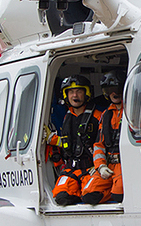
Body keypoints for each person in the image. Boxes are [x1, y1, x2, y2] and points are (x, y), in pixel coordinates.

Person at [49, 75, 102, 206]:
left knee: (91, 196)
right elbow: (69, 142)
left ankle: (84, 191)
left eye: (79, 91)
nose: (75, 95)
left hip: (91, 168)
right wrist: (53, 140)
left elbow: (102, 143)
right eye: (71, 92)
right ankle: (78, 191)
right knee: (61, 197)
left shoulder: (98, 116)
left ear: (86, 93)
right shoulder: (67, 116)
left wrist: (100, 166)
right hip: (71, 169)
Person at [82, 71, 124, 204]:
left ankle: (114, 191)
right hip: (109, 164)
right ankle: (111, 191)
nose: (113, 93)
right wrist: (100, 166)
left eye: (116, 89)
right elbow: (99, 144)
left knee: (119, 195)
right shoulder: (106, 115)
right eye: (109, 90)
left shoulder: (135, 110)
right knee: (88, 195)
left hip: (124, 164)